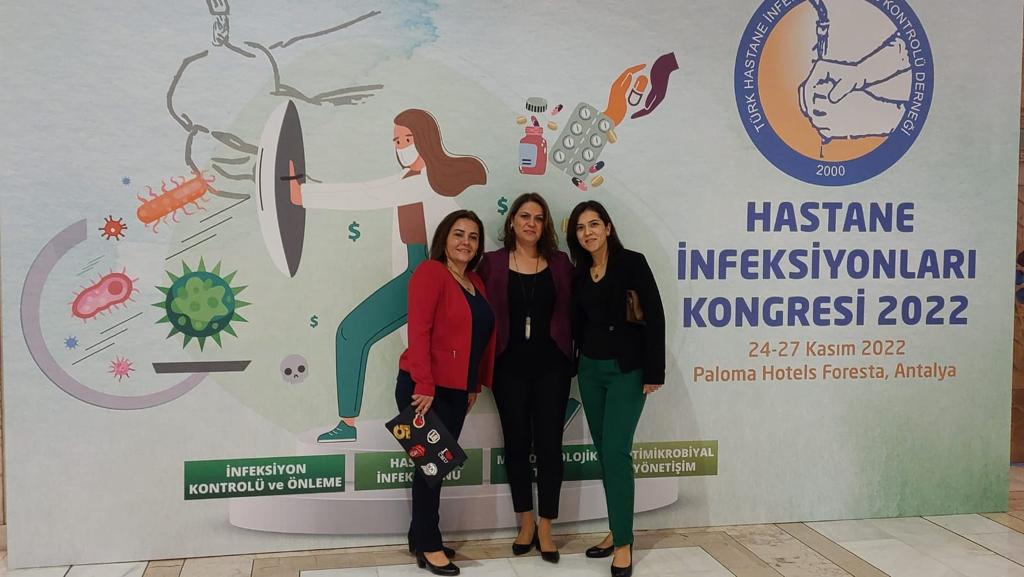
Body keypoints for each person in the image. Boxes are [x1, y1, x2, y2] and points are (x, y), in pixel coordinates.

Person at [290, 108, 487, 442]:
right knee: (354, 335)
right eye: (396, 141)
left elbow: (367, 194)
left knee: (351, 333)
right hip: (418, 271)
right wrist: (304, 193)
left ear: (426, 140)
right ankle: (349, 423)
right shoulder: (409, 180)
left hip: (424, 273)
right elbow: (371, 188)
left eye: (408, 139)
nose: (402, 147)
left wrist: (302, 195)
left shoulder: (423, 183)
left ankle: (348, 424)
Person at [567, 200, 665, 577]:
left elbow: (654, 316)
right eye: (580, 228)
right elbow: (576, 324)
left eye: (594, 224)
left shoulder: (632, 263)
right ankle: (616, 529)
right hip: (591, 371)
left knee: (615, 451)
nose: (588, 232)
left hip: (628, 370)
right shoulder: (579, 274)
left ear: (608, 228)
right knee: (604, 455)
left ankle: (623, 544)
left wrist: (654, 371)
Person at [396, 210, 495, 576]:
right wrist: (424, 384)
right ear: (444, 238)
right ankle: (429, 545)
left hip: (456, 390)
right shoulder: (430, 272)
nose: (466, 242)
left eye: (473, 236)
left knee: (434, 466)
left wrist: (472, 384)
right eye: (458, 234)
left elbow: (475, 339)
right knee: (431, 469)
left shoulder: (474, 282)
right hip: (424, 388)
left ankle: (420, 535)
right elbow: (419, 330)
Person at [478, 193, 572, 564]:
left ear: (544, 225)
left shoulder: (560, 263)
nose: (531, 223)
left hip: (552, 368)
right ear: (512, 222)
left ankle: (547, 526)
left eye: (538, 217)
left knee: (549, 446)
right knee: (516, 444)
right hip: (508, 368)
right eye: (524, 216)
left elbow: (574, 311)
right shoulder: (492, 263)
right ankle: (526, 522)